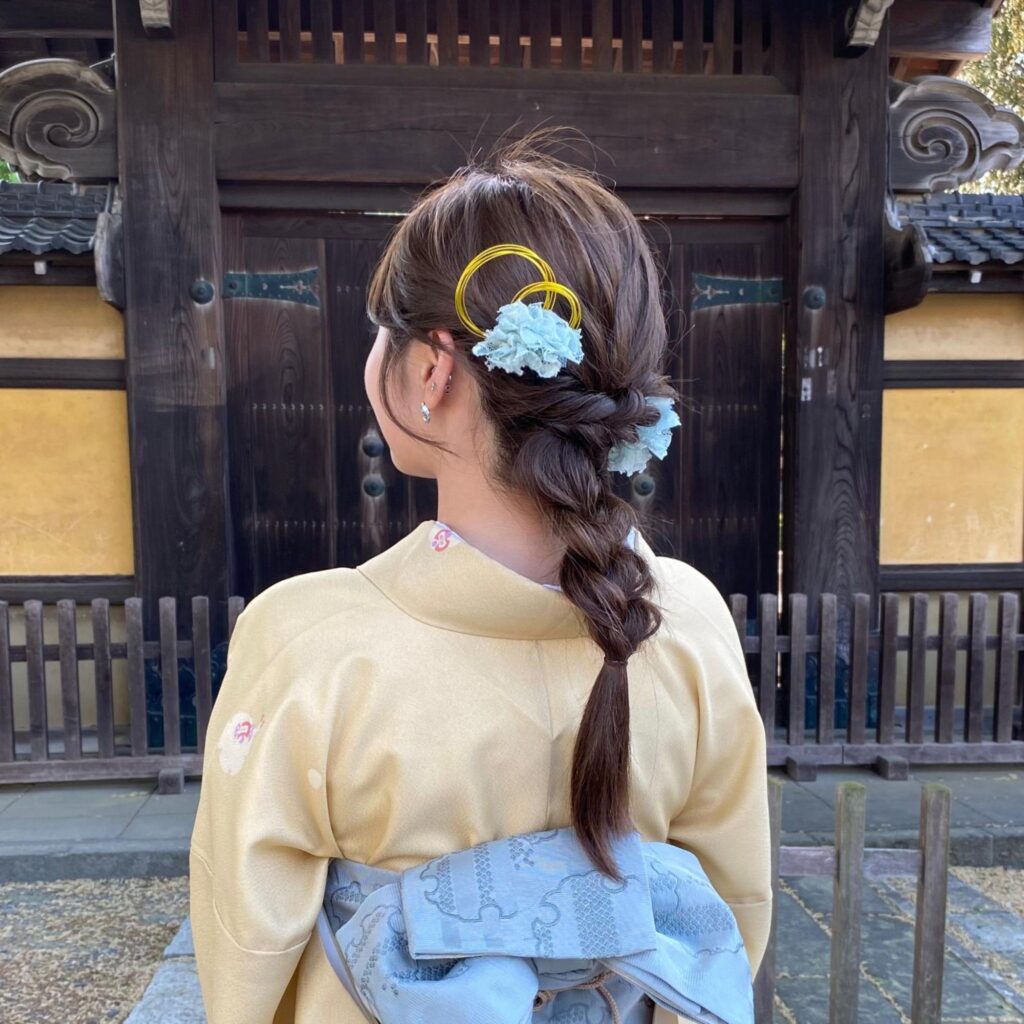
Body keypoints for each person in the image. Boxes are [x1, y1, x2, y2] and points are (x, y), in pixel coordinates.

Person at [189, 132, 772, 1024]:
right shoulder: (684, 618)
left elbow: (248, 942)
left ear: (432, 368)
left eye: (381, 336)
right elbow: (730, 912)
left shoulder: (308, 641)